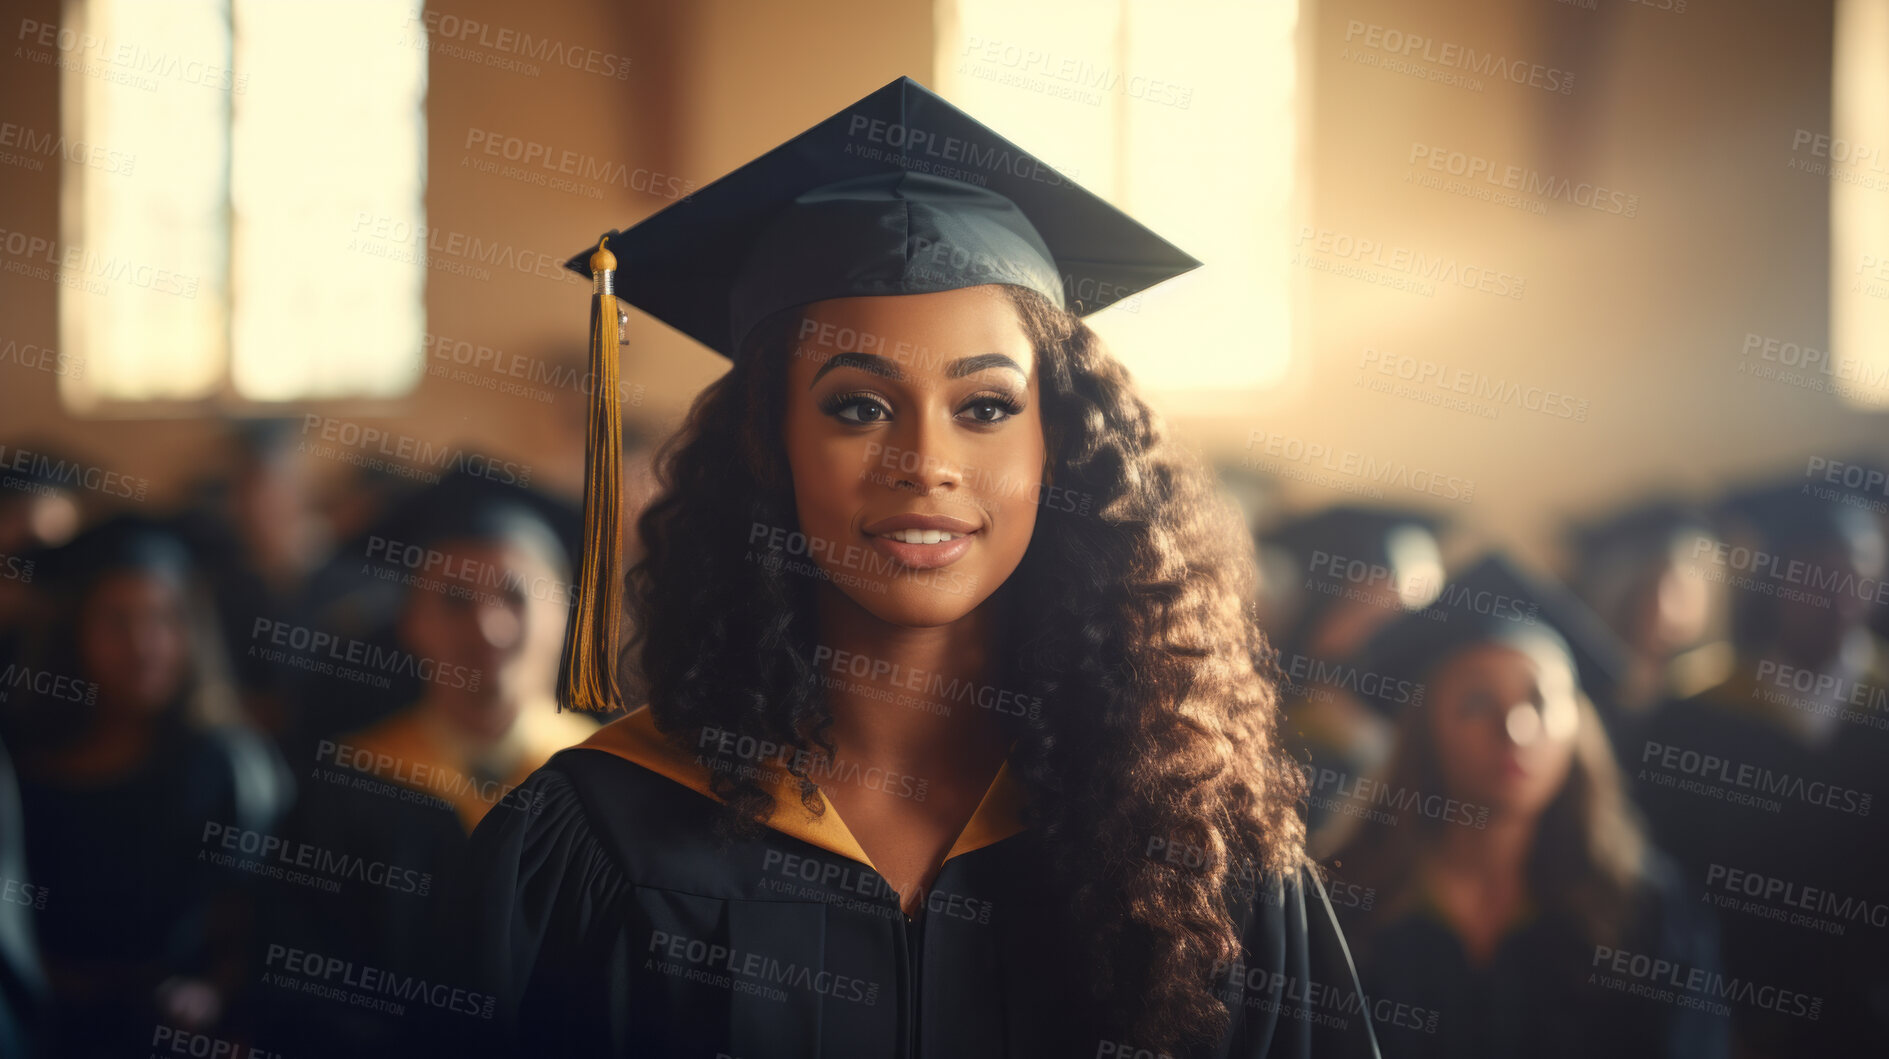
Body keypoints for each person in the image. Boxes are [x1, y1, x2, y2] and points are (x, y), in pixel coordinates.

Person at [441, 75, 1381, 1059]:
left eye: (984, 407)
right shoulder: (598, 838)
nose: (924, 462)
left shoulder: (1193, 853)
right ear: (771, 446)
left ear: (1054, 445)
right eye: (857, 405)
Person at [249, 473, 596, 1054]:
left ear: (565, 613)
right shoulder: (349, 781)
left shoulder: (606, 780)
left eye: (514, 595)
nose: (488, 626)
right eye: (454, 600)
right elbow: (307, 983)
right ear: (410, 620)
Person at [1328, 554, 1728, 1059]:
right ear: (1423, 730)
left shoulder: (1648, 918)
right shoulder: (1344, 906)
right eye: (1476, 703)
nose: (1515, 730)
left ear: (1577, 729)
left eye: (1539, 702)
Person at [2, 515, 291, 1057]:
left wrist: (213, 988)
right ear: (73, 632)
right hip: (33, 1026)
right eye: (115, 621)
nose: (143, 645)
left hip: (172, 1031)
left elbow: (258, 918)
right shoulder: (20, 759)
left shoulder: (228, 766)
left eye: (163, 618)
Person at [1632, 482, 1889, 1056]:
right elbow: (1673, 879)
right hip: (1737, 1018)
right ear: (1775, 579)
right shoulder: (1694, 717)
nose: (1834, 596)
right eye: (1812, 573)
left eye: (1854, 574)